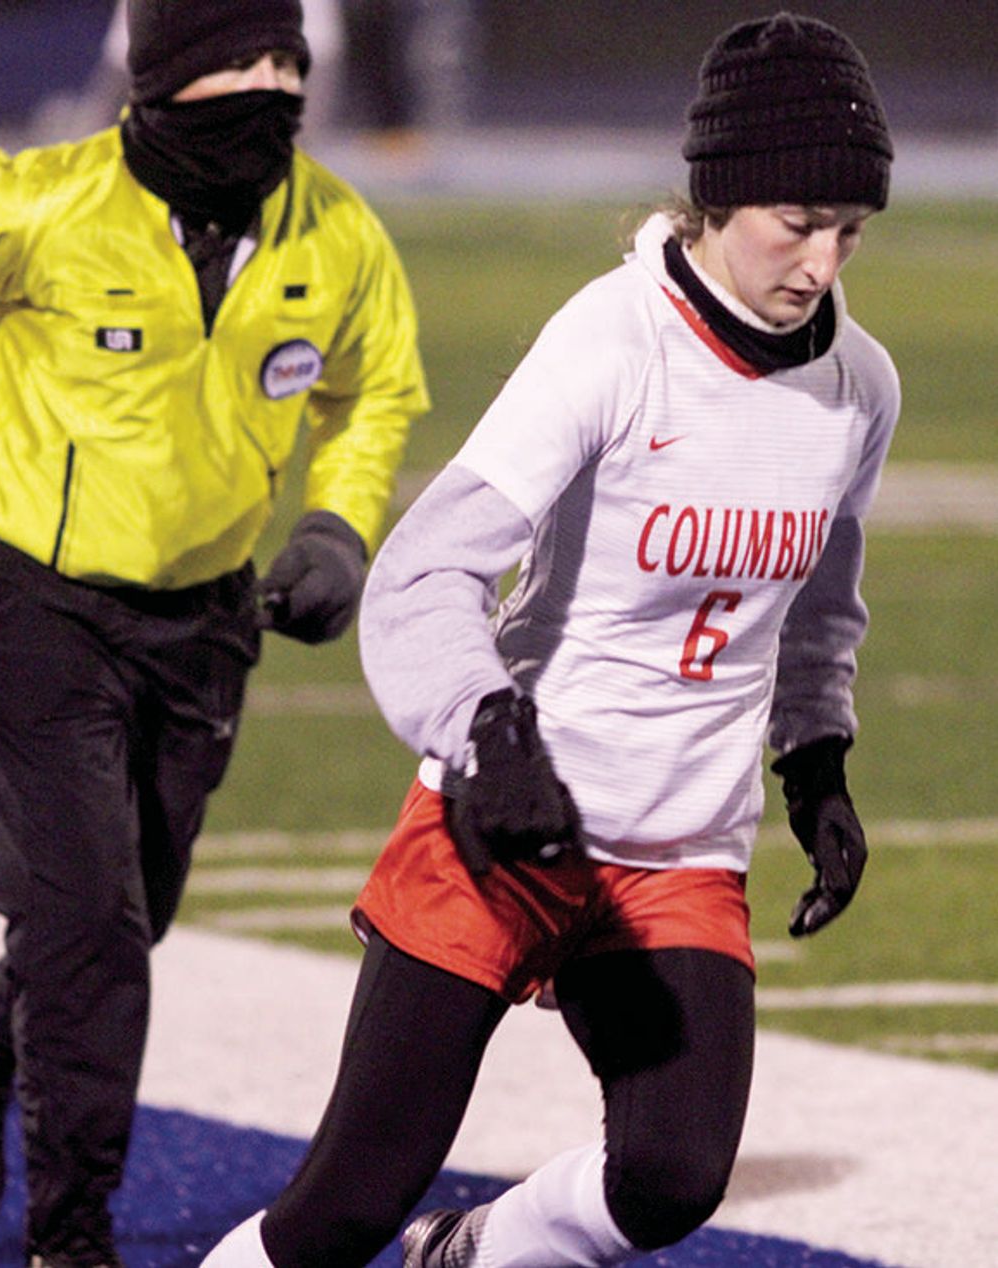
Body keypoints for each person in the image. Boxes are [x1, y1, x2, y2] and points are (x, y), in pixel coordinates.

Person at [200, 11, 897, 1268]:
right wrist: (487, 733)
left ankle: (463, 1255)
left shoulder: (861, 385)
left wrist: (817, 757)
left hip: (679, 849)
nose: (822, 260)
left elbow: (818, 605)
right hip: (507, 820)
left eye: (849, 231)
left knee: (674, 1178)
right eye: (797, 222)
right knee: (345, 1205)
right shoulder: (611, 339)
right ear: (718, 194)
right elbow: (425, 573)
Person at [0, 0, 428, 1262]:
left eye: (287, 60)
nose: (272, 86)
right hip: (27, 598)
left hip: (208, 615)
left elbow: (377, 380)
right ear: (163, 77)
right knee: (90, 935)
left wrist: (338, 524)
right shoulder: (41, 199)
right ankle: (70, 1233)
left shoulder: (334, 230)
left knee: (123, 918)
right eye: (241, 60)